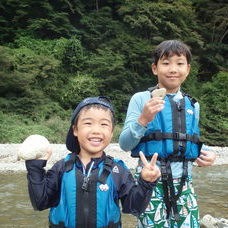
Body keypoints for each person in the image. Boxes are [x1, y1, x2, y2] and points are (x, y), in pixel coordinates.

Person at [119, 40, 216, 228]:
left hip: (184, 182)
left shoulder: (193, 105)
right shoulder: (141, 99)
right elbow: (124, 144)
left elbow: (189, 140)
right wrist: (144, 119)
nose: (173, 69)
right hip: (149, 180)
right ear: (155, 68)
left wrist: (208, 154)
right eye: (166, 63)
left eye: (179, 63)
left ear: (187, 69)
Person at [25, 96, 161, 228]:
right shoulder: (61, 168)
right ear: (75, 130)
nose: (96, 130)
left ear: (112, 132)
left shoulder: (117, 170)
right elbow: (40, 202)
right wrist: (35, 167)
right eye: (88, 123)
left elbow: (134, 208)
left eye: (104, 124)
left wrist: (146, 183)